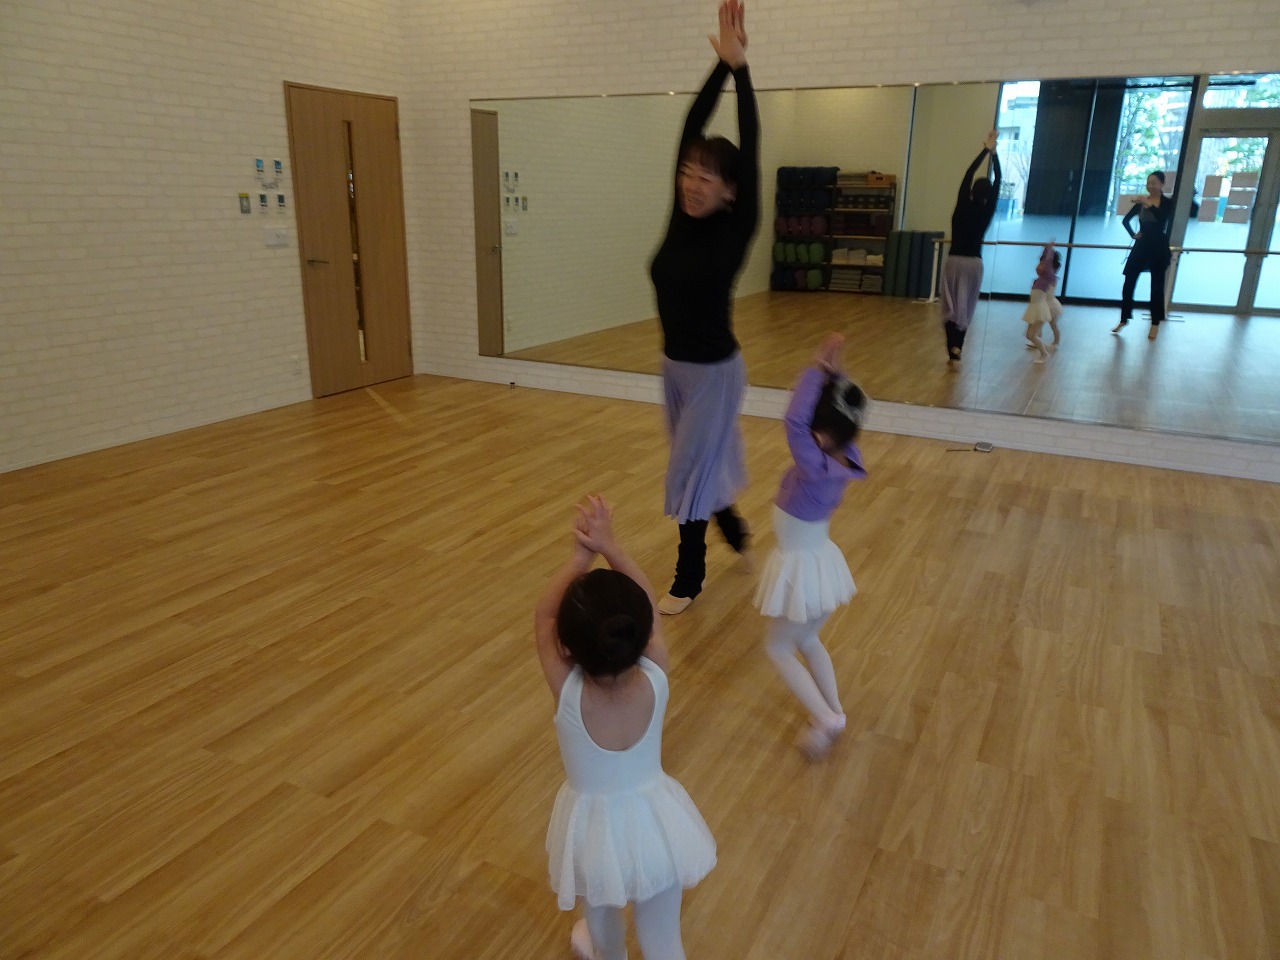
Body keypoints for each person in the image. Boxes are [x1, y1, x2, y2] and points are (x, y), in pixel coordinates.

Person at [535, 495, 716, 960]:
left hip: (596, 838)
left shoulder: (569, 691)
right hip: (658, 827)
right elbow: (649, 610)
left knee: (605, 933)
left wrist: (579, 558)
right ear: (640, 635)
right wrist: (610, 547)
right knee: (663, 942)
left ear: (566, 648)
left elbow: (545, 616)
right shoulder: (655, 672)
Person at [649, 0, 761, 615]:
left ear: (730, 190)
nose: (692, 182)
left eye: (706, 176)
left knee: (688, 469)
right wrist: (719, 64)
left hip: (716, 374)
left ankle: (688, 578)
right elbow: (692, 123)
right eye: (688, 171)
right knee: (696, 464)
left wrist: (741, 73)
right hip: (675, 369)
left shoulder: (735, 229)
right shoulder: (680, 216)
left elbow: (752, 144)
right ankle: (732, 525)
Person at [754, 334, 868, 760]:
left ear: (819, 436)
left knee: (777, 647)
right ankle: (834, 711)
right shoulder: (846, 456)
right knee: (808, 641)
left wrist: (816, 368)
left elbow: (794, 421)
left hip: (804, 571)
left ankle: (825, 718)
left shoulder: (815, 466)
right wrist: (834, 377)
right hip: (821, 568)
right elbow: (842, 414)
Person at [941, 131, 1001, 363]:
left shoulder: (962, 206)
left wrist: (986, 149)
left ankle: (952, 347)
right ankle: (959, 346)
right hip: (975, 263)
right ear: (987, 196)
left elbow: (969, 173)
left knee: (950, 305)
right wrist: (995, 155)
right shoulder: (986, 212)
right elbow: (999, 181)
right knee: (966, 306)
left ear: (972, 191)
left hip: (954, 261)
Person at [1113, 171, 1173, 341]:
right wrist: (1133, 234)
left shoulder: (1167, 202)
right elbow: (1125, 220)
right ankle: (1124, 319)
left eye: (1154, 183)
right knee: (1129, 280)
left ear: (1162, 184)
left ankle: (1155, 322)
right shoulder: (1141, 202)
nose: (1150, 186)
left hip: (1159, 246)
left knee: (1157, 285)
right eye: (1148, 182)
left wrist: (1150, 205)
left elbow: (1162, 218)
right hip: (1142, 245)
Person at [1023, 242, 1063, 362]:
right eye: (1038, 263)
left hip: (1041, 308)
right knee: (1030, 334)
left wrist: (1049, 248)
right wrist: (1045, 249)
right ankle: (1043, 347)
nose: (1038, 266)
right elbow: (1045, 260)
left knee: (1033, 334)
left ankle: (1046, 351)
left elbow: (1048, 260)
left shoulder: (1048, 277)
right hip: (1035, 308)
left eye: (1042, 264)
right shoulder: (1040, 278)